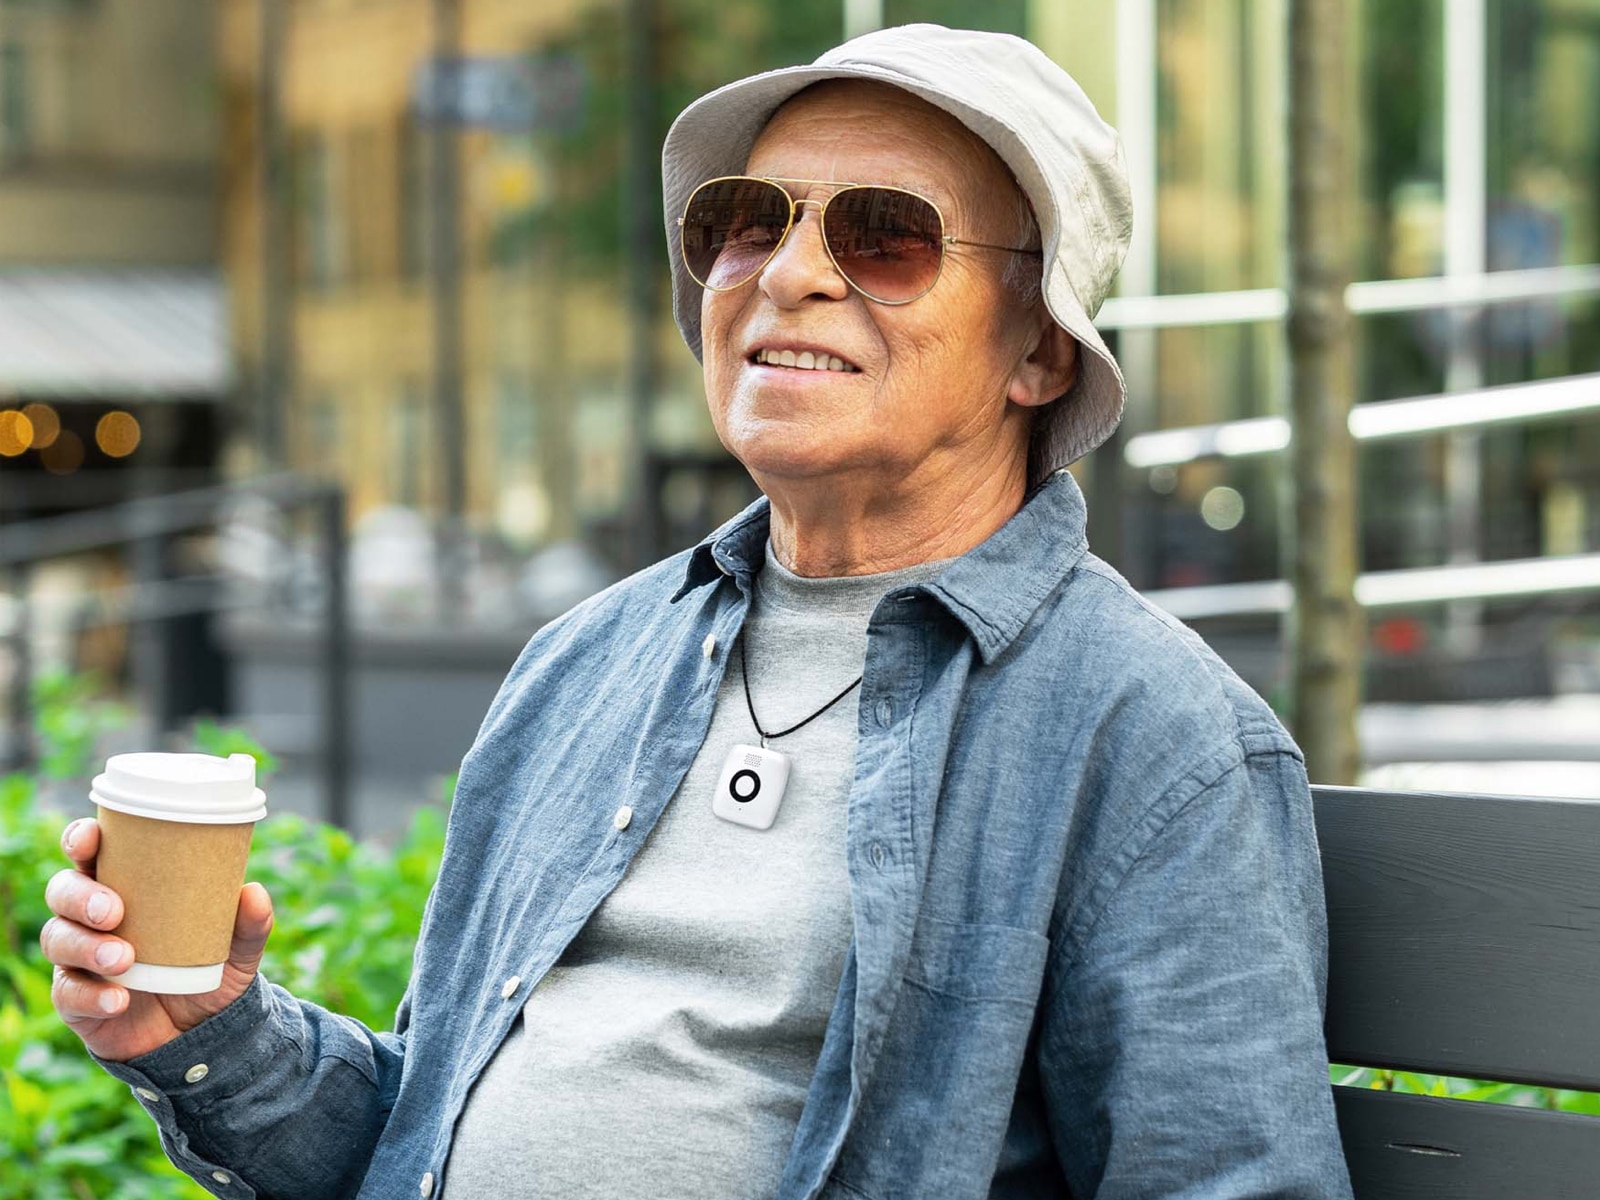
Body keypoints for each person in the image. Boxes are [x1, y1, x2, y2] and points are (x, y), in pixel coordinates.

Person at [41, 24, 1355, 1200]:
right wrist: (211, 1032)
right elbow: (425, 1137)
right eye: (745, 219)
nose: (787, 273)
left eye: (882, 235)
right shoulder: (590, 660)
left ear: (1040, 351)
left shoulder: (1154, 735)